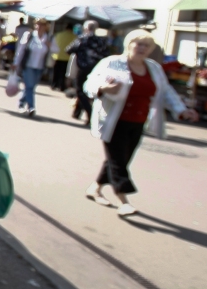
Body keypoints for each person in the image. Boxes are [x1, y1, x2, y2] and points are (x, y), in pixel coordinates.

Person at [84, 30, 198, 216]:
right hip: (114, 121)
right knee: (118, 162)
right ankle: (123, 202)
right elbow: (89, 84)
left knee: (120, 159)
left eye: (147, 45)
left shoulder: (153, 68)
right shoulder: (113, 63)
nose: (142, 48)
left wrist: (181, 110)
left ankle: (95, 188)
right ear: (129, 44)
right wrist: (103, 88)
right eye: (138, 44)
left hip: (138, 121)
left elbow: (165, 91)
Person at [67, 20, 112, 124]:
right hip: (96, 69)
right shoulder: (101, 41)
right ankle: (77, 112)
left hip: (83, 68)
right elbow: (106, 54)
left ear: (85, 28)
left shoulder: (82, 38)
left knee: (80, 91)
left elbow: (69, 50)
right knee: (87, 91)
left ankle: (90, 114)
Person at [12, 18, 51, 116]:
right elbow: (21, 49)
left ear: (46, 27)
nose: (39, 27)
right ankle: (31, 107)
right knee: (29, 86)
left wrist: (49, 45)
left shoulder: (48, 38)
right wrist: (16, 62)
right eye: (37, 24)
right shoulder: (29, 35)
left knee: (31, 87)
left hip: (40, 67)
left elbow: (56, 50)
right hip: (28, 65)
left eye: (42, 25)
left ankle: (21, 103)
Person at [50, 23, 76, 90]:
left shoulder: (59, 34)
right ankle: (62, 86)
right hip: (67, 57)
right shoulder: (74, 36)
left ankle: (54, 84)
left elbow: (54, 44)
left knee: (56, 72)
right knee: (64, 73)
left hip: (57, 56)